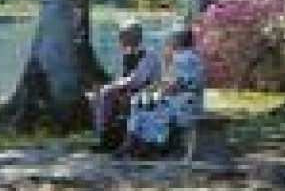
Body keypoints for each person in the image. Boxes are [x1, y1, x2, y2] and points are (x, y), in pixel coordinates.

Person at [122, 27, 206, 157]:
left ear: (178, 41)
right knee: (142, 103)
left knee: (145, 107)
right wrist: (154, 90)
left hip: (184, 103)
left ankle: (147, 146)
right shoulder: (192, 56)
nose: (168, 42)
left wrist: (157, 93)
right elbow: (169, 81)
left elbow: (176, 84)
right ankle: (139, 144)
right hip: (189, 102)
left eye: (171, 39)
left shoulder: (183, 58)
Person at [88, 20, 157, 152]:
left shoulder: (149, 55)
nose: (120, 39)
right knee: (95, 96)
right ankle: (105, 136)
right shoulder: (123, 56)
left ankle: (106, 137)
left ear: (135, 37)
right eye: (121, 36)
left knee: (106, 94)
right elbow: (119, 77)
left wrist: (115, 88)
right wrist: (112, 87)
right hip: (124, 89)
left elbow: (138, 79)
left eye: (123, 36)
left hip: (144, 91)